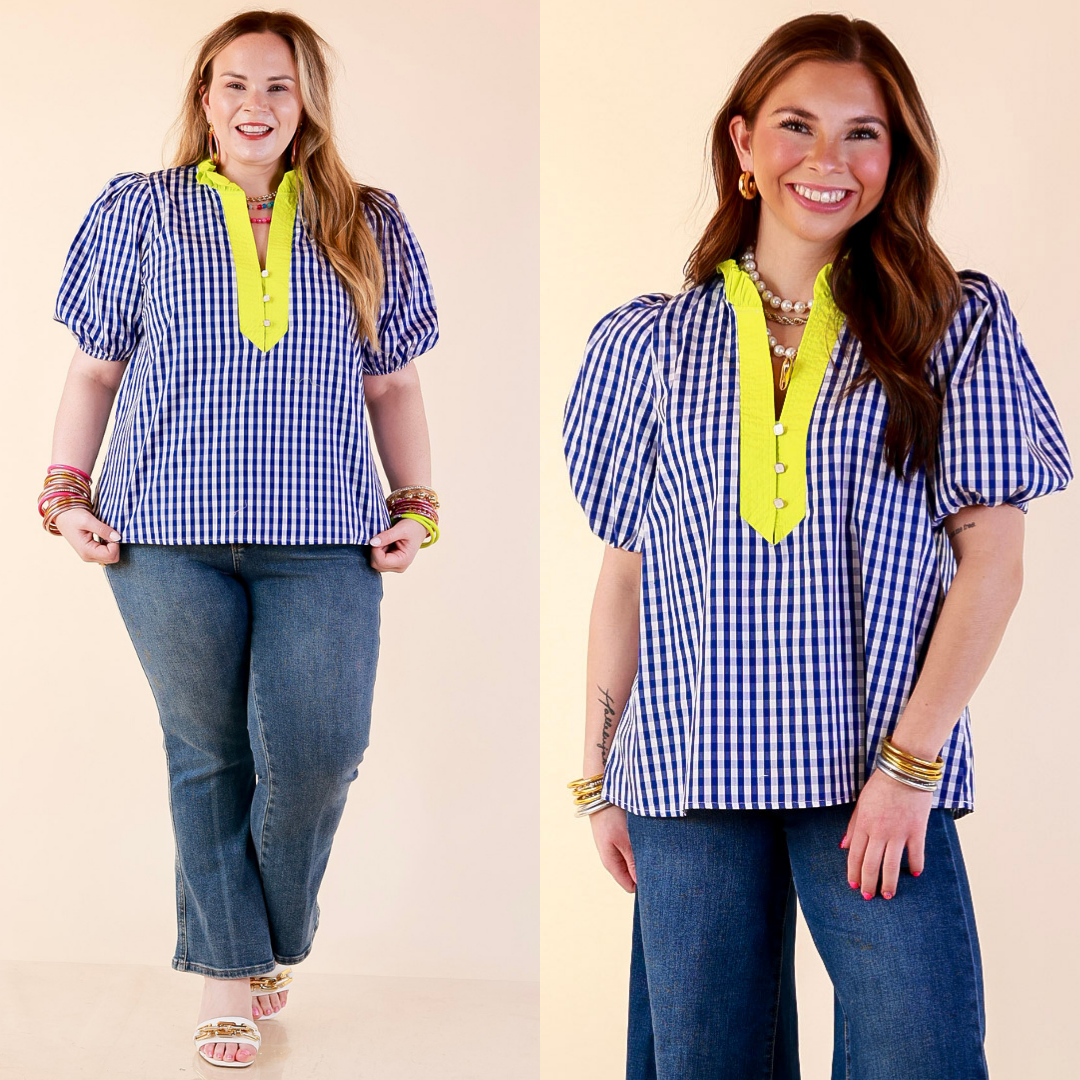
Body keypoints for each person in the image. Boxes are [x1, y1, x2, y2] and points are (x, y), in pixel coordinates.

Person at [562, 13, 1072, 1079]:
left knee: (917, 1050)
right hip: (684, 776)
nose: (829, 161)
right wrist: (597, 774)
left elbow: (996, 563)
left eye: (864, 134)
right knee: (706, 1062)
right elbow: (627, 571)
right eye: (798, 126)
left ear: (899, 157)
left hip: (875, 772)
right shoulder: (646, 342)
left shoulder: (952, 325)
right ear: (743, 145)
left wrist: (911, 765)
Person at [41, 10, 440, 1069]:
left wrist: (419, 501)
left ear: (307, 100)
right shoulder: (141, 211)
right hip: (159, 533)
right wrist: (62, 489)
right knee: (208, 752)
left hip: (326, 535)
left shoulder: (366, 220)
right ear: (203, 99)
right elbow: (94, 372)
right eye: (235, 86)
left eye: (279, 87)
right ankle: (227, 971)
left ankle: (266, 938)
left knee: (321, 752)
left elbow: (392, 381)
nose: (255, 107)